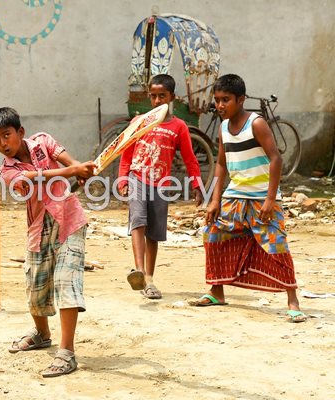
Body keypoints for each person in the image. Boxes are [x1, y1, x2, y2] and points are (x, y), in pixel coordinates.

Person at [0, 107, 95, 378]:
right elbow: (32, 179)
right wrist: (72, 171)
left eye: (6, 135)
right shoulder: (7, 170)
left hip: (69, 219)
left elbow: (68, 161)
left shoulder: (43, 141)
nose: (3, 144)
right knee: (35, 286)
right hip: (38, 226)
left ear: (20, 132)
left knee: (66, 281)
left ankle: (66, 352)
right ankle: (42, 334)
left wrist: (81, 171)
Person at [188, 74, 307, 323]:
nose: (220, 105)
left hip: (262, 196)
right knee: (213, 234)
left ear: (241, 99)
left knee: (276, 243)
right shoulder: (222, 127)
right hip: (235, 195)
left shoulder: (256, 123)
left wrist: (269, 199)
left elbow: (276, 158)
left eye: (226, 100)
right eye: (217, 100)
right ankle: (216, 292)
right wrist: (214, 199)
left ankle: (292, 299)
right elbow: (221, 164)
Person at [118, 74, 203, 299]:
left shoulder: (179, 127)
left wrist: (197, 183)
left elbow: (190, 158)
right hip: (138, 178)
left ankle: (150, 280)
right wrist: (123, 179)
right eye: (153, 96)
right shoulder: (139, 122)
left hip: (160, 183)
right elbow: (126, 153)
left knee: (154, 233)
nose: (157, 101)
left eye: (162, 96)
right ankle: (139, 271)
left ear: (171, 97)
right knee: (138, 221)